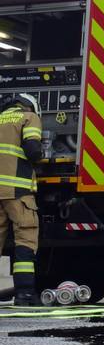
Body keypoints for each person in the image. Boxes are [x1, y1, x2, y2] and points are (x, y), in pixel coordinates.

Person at [0, 94, 43, 308]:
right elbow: (33, 150)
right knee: (25, 240)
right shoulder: (28, 117)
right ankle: (25, 294)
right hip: (18, 191)